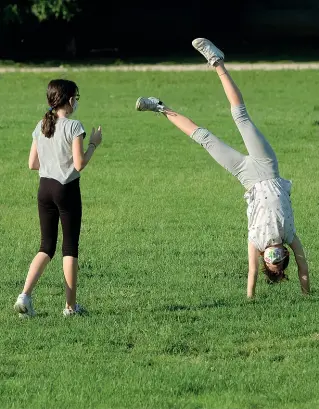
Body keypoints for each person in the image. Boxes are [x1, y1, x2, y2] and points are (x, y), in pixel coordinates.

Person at [135, 38, 310, 298]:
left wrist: (250, 298)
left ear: (265, 258)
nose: (275, 253)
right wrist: (307, 291)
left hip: (246, 177)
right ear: (285, 254)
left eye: (271, 258)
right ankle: (217, 61)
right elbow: (303, 264)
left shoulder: (255, 242)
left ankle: (159, 106)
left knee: (204, 138)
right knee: (240, 117)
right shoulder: (290, 235)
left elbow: (251, 275)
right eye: (280, 257)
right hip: (267, 167)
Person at [14, 79, 102, 317]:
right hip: (66, 189)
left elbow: (32, 163)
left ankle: (25, 295)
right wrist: (94, 143)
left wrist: (52, 162)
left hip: (44, 189)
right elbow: (79, 163)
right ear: (70, 100)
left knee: (46, 246)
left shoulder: (41, 124)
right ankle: (70, 308)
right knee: (70, 247)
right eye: (77, 97)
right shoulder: (74, 127)